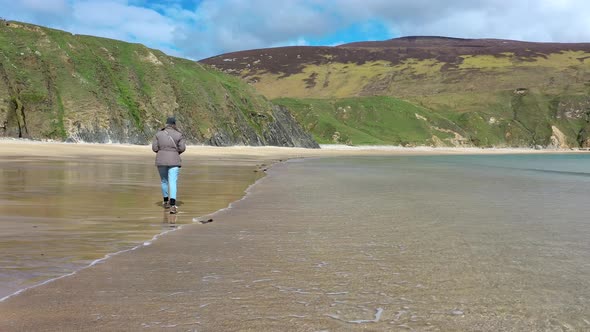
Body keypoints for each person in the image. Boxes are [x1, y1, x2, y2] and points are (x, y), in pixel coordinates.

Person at [152, 116, 186, 214]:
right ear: (174, 124)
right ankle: (173, 205)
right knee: (173, 182)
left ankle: (166, 201)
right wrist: (175, 152)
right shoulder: (179, 135)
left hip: (161, 159)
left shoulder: (158, 134)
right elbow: (182, 148)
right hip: (174, 160)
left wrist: (162, 151)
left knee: (164, 181)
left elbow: (154, 148)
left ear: (166, 124)